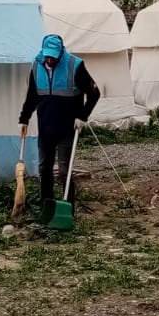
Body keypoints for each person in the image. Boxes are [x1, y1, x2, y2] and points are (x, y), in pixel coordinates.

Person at [18, 33, 101, 213]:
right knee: (44, 168)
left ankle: (67, 207)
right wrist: (24, 118)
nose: (50, 59)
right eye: (47, 55)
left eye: (53, 56)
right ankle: (47, 205)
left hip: (67, 128)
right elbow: (32, 96)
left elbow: (95, 93)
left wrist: (83, 116)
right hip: (45, 128)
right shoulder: (36, 66)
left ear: (61, 53)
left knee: (65, 170)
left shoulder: (75, 65)